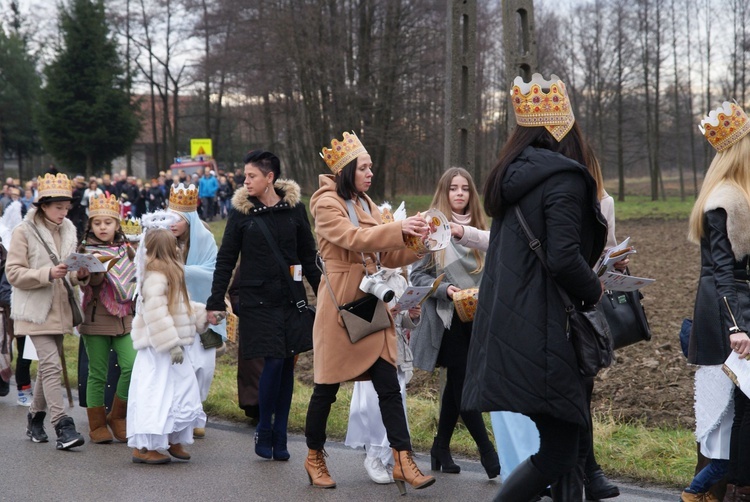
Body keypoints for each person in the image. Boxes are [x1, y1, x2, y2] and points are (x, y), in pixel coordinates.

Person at [461, 73, 607, 501]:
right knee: (561, 451)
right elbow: (563, 257)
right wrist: (595, 288)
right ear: (563, 127)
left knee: (568, 442)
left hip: (512, 326)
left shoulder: (514, 178)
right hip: (544, 332)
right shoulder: (565, 178)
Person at [303, 131, 434, 494]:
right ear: (347, 170)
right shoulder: (325, 203)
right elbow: (354, 239)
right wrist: (398, 227)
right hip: (340, 308)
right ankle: (314, 456)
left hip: (372, 306)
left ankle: (402, 459)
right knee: (325, 390)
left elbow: (388, 255)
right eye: (364, 167)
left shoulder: (368, 204)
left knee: (388, 386)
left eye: (371, 167)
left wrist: (421, 243)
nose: (370, 173)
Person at [206, 149, 321, 461]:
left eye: (252, 175)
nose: (246, 180)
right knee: (272, 362)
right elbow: (226, 258)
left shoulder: (295, 211)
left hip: (291, 301)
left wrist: (325, 294)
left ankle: (281, 433)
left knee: (286, 367)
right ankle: (264, 428)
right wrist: (216, 300)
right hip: (257, 302)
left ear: (270, 178)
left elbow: (309, 256)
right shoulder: (241, 213)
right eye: (246, 175)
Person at [409, 167, 500, 479]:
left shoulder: (480, 231)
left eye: (465, 189)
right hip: (447, 320)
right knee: (463, 382)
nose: (459, 193)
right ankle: (488, 453)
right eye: (453, 188)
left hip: (477, 317)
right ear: (444, 193)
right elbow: (417, 275)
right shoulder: (432, 229)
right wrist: (446, 290)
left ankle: (440, 447)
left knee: (458, 384)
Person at [686, 101, 750, 501]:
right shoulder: (727, 200)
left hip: (730, 309)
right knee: (728, 414)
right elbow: (724, 272)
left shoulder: (734, 195)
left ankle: (713, 492)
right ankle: (711, 492)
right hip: (726, 313)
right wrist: (736, 326)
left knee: (733, 411)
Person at [6, 173, 90, 450]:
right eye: (58, 207)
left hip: (62, 309)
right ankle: (62, 425)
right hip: (34, 311)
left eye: (67, 208)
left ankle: (34, 419)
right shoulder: (23, 231)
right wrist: (47, 273)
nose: (64, 213)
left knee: (47, 369)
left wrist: (81, 274)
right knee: (52, 365)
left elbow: (69, 275)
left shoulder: (69, 229)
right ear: (43, 205)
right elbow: (14, 273)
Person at [127, 223, 209, 464]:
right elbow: (156, 313)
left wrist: (205, 314)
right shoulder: (155, 276)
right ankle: (144, 447)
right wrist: (171, 343)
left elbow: (180, 306)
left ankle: (173, 438)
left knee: (181, 391)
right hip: (158, 349)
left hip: (175, 347)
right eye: (173, 245)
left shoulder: (173, 272)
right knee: (156, 393)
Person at [344, 264, 419, 484]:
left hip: (397, 351)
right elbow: (358, 314)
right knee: (372, 406)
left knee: (398, 404)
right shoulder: (366, 276)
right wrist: (386, 313)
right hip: (372, 349)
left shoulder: (401, 280)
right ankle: (374, 455)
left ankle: (391, 458)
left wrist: (411, 315)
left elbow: (402, 321)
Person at [167, 183, 226, 439]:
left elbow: (212, 272)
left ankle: (198, 408)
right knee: (182, 366)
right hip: (175, 312)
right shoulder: (162, 240)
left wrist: (180, 270)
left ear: (189, 219)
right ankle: (185, 413)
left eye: (177, 218)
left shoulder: (205, 240)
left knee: (204, 367)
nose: (172, 223)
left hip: (204, 312)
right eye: (169, 216)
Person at [77, 194, 137, 444]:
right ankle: (97, 424)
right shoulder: (85, 251)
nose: (103, 227)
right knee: (97, 373)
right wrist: (93, 272)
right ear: (90, 225)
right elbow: (87, 285)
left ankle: (118, 416)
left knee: (132, 366)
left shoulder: (127, 249)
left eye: (108, 223)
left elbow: (135, 278)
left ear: (117, 225)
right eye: (97, 223)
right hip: (96, 319)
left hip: (125, 319)